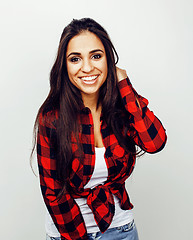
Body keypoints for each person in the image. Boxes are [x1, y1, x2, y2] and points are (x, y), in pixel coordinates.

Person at [33, 18, 167, 240]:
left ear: (108, 60)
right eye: (75, 59)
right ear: (64, 66)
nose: (87, 67)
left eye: (96, 56)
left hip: (122, 229)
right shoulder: (51, 118)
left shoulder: (122, 107)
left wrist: (124, 84)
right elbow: (53, 191)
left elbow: (155, 142)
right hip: (69, 235)